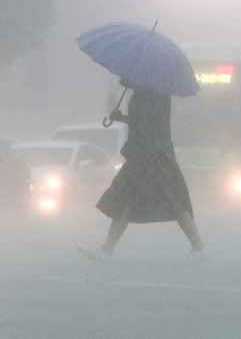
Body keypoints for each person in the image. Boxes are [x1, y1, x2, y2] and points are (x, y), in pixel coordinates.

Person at [78, 78, 208, 263]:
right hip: (147, 153)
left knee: (167, 199)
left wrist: (124, 118)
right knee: (131, 199)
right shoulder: (148, 91)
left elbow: (148, 123)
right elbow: (143, 122)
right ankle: (107, 250)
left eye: (128, 75)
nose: (124, 78)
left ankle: (199, 247)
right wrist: (121, 117)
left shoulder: (154, 93)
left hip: (151, 155)